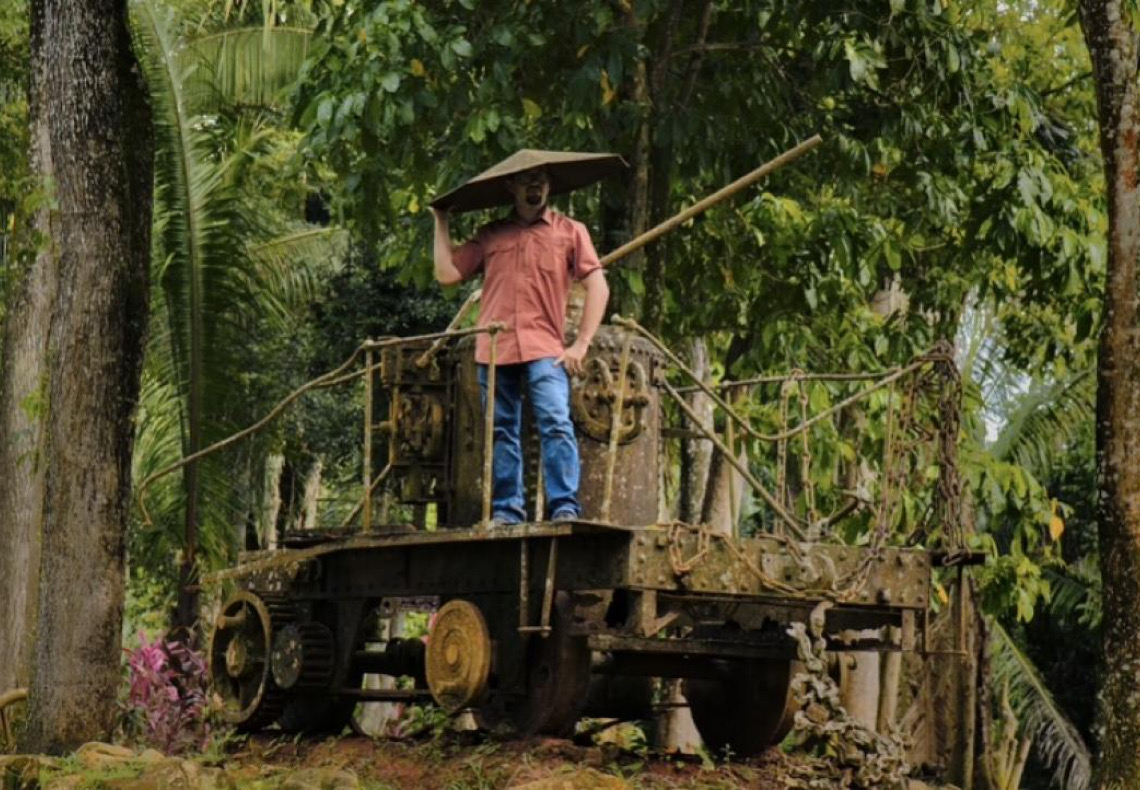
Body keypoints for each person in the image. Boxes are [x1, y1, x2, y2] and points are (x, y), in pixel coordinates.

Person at [431, 166, 610, 525]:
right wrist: (441, 220)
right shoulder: (492, 235)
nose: (535, 187)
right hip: (495, 347)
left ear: (549, 186)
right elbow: (447, 274)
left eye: (541, 180)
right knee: (500, 429)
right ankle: (507, 509)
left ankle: (564, 507)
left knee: (556, 422)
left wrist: (581, 344)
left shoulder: (570, 231)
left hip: (545, 346)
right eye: (527, 180)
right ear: (511, 186)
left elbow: (598, 285)